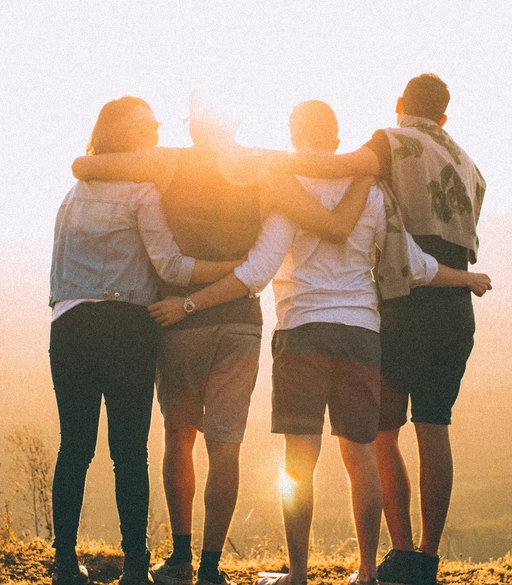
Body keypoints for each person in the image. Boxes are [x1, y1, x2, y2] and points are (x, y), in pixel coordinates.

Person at [148, 101, 490, 585]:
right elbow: (412, 264)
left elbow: (258, 271)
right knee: (361, 456)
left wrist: (190, 303)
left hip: (302, 332)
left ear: (293, 135)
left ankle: (300, 575)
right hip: (361, 335)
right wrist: (465, 278)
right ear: (335, 140)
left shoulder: (287, 189)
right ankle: (368, 572)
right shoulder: (371, 191)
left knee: (299, 460)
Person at [72, 92, 373, 585]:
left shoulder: (166, 164)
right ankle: (212, 568)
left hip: (179, 317)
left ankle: (181, 559)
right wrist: (366, 172)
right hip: (240, 322)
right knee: (225, 446)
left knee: (179, 437)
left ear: (193, 127)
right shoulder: (265, 170)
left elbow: (85, 165)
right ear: (235, 122)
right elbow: (333, 225)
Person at [281, 74, 488, 585]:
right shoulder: (469, 164)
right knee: (435, 427)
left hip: (404, 301)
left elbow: (335, 167)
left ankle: (397, 554)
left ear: (400, 105)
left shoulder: (390, 141)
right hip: (454, 304)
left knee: (381, 432)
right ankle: (427, 557)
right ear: (444, 116)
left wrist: (266, 166)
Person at [48, 96, 244, 585]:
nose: (156, 131)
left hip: (69, 325)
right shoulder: (142, 193)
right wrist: (238, 271)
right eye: (146, 125)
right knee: (128, 451)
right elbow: (173, 267)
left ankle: (65, 563)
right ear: (122, 134)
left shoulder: (73, 194)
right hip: (127, 328)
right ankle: (135, 565)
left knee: (74, 446)